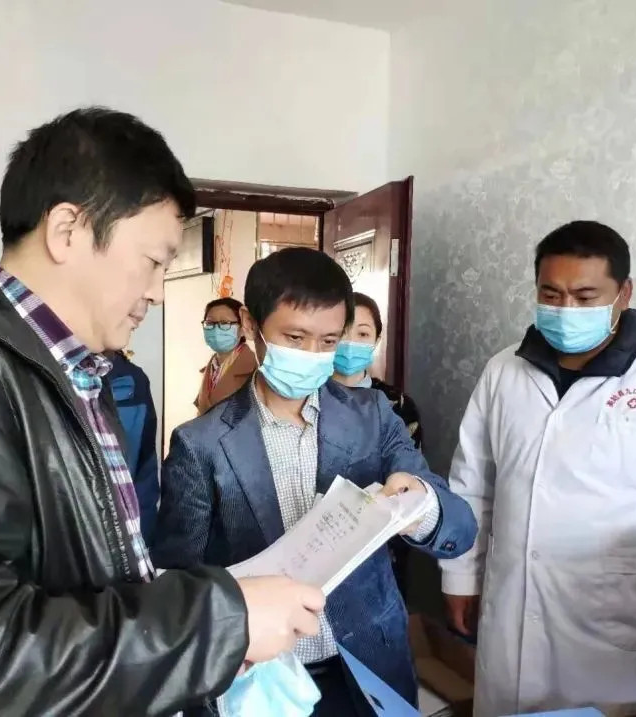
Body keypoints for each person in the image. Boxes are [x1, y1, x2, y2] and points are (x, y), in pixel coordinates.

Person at [0, 107, 325, 716]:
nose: (158, 292)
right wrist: (216, 624)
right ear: (67, 231)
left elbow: (89, 578)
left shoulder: (77, 375)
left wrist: (208, 639)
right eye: (154, 261)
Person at [153, 247, 477, 715]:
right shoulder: (200, 443)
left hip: (368, 666)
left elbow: (460, 528)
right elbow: (180, 578)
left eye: (327, 341)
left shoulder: (372, 416)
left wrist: (420, 506)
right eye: (295, 337)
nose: (311, 355)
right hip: (264, 681)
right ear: (251, 325)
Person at [440, 220, 636, 717]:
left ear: (624, 294)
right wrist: (460, 577)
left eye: (584, 297)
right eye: (551, 294)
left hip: (617, 627)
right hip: (511, 608)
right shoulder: (504, 370)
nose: (565, 310)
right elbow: (473, 484)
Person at [333, 291, 425, 598]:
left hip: (382, 544)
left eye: (362, 334)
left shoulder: (397, 405)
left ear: (376, 339)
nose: (350, 343)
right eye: (341, 333)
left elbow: (411, 482)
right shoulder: (306, 399)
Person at [108, 349, 159, 547]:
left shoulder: (133, 379)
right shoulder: (43, 368)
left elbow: (145, 467)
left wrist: (143, 540)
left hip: (124, 528)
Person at [195, 297, 257, 415]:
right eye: (210, 323)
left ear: (242, 328)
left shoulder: (256, 369)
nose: (216, 330)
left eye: (225, 323)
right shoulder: (209, 369)